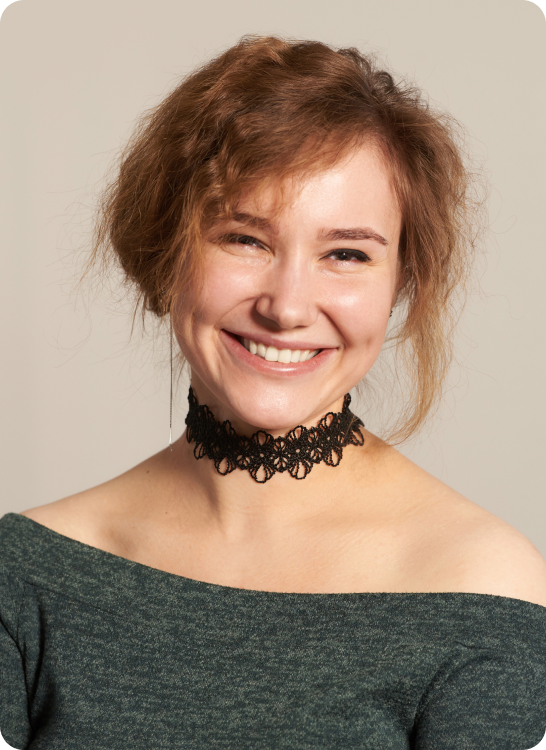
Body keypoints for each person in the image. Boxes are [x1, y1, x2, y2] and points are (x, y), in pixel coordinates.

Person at [1, 35, 545, 750]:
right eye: (244, 239)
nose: (287, 307)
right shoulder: (28, 572)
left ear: (401, 284)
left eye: (346, 253)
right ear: (166, 251)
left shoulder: (481, 588)